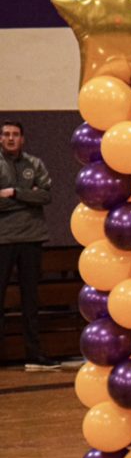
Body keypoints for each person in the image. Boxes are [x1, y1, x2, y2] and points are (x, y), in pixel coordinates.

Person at [0, 121, 61, 370]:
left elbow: (46, 196)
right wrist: (29, 197)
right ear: (0, 138)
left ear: (22, 139)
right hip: (3, 240)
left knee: (30, 300)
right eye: (6, 134)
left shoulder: (35, 163)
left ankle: (34, 354)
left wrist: (14, 193)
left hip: (32, 239)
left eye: (15, 135)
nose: (11, 138)